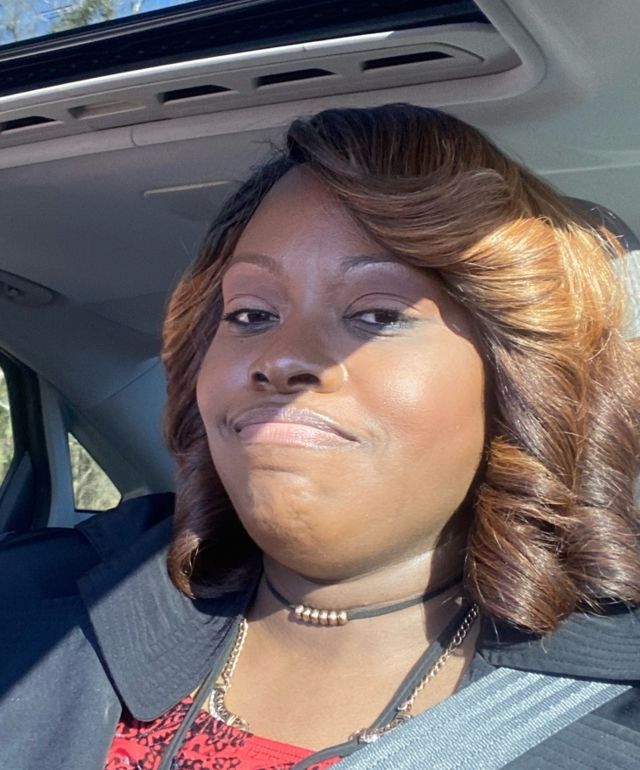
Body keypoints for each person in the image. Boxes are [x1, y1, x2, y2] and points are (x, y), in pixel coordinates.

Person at [1, 104, 639, 770]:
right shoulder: (33, 606)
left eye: (377, 314)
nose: (281, 357)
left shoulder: (614, 718)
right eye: (251, 313)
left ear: (517, 379)